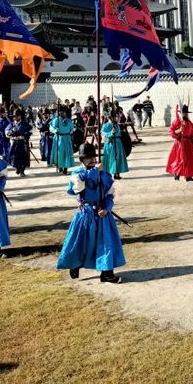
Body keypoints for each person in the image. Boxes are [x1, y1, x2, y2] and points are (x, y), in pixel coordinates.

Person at [56, 143, 124, 283]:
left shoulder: (104, 175)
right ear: (81, 160)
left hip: (102, 214)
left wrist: (107, 208)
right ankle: (75, 265)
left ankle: (107, 273)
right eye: (87, 158)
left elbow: (110, 194)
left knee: (106, 243)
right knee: (81, 243)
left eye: (93, 156)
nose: (91, 159)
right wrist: (93, 172)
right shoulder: (76, 175)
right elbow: (78, 187)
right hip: (85, 214)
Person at [166, 105, 193, 181]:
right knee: (180, 159)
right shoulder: (176, 121)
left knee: (189, 160)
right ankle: (177, 174)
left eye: (186, 113)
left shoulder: (190, 123)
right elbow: (172, 132)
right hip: (180, 143)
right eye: (184, 113)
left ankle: (188, 176)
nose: (185, 114)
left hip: (188, 144)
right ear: (181, 113)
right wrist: (179, 130)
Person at [100, 112, 129, 179]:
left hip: (118, 143)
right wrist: (111, 133)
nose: (117, 118)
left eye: (117, 117)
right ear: (110, 117)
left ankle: (117, 173)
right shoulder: (106, 125)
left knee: (118, 157)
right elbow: (103, 136)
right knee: (113, 158)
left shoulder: (117, 125)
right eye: (116, 117)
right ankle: (111, 173)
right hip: (111, 144)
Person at [50, 106, 76, 175]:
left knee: (67, 153)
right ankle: (59, 165)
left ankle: (65, 168)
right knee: (60, 153)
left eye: (64, 112)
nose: (63, 113)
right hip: (59, 138)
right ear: (59, 113)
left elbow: (72, 128)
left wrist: (72, 131)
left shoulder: (69, 120)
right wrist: (55, 130)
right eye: (61, 112)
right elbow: (51, 128)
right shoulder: (56, 120)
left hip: (67, 138)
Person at [5, 109, 31, 176]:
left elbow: (28, 131)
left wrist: (25, 135)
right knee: (14, 156)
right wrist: (12, 131)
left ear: (20, 116)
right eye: (14, 116)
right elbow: (7, 133)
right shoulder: (11, 124)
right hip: (14, 142)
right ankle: (17, 168)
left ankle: (22, 170)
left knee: (23, 157)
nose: (15, 117)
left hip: (22, 143)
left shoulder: (24, 124)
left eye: (17, 116)